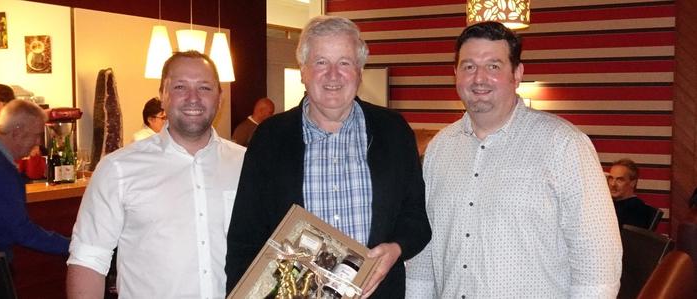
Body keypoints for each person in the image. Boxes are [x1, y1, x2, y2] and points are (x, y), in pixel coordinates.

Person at [405, 21, 622, 298]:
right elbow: (425, 252)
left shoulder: (564, 144)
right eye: (469, 66)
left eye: (493, 66)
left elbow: (597, 258)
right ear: (455, 74)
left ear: (517, 74)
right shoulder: (439, 149)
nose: (479, 78)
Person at [225, 16, 431, 298]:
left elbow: (416, 218)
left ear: (359, 71)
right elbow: (244, 237)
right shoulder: (270, 138)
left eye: (344, 62)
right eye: (321, 62)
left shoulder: (393, 131)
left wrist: (397, 247)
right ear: (303, 71)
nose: (333, 75)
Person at [66, 51, 246, 298]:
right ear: (162, 95)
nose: (193, 98)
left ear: (220, 98)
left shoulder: (247, 164)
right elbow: (88, 259)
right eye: (180, 86)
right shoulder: (118, 169)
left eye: (204, 87)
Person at [0, 99, 70, 261]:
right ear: (17, 132)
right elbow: (20, 231)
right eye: (36, 135)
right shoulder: (2, 170)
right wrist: (72, 247)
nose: (38, 142)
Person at [608, 158, 658, 229]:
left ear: (633, 183)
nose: (613, 184)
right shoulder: (609, 203)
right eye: (611, 178)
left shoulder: (638, 210)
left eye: (620, 180)